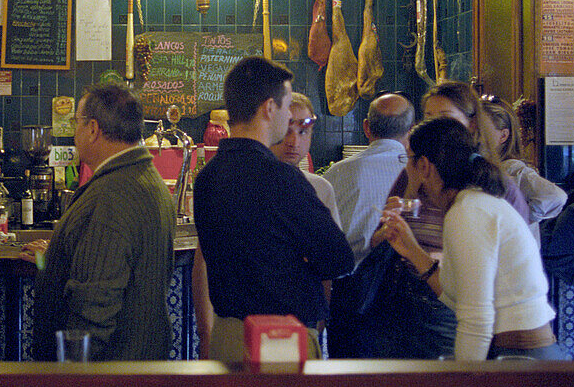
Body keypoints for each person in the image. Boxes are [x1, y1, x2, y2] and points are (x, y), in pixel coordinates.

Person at [193, 57, 352, 362]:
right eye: (287, 106)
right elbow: (339, 258)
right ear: (269, 108)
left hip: (226, 337)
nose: (288, 116)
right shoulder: (284, 179)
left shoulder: (207, 178)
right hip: (280, 340)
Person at [360, 80, 529, 359]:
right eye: (428, 118)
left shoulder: (484, 190)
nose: (433, 127)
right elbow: (379, 240)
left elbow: (502, 270)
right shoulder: (413, 173)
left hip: (451, 309)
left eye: (444, 119)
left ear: (471, 125)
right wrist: (398, 214)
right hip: (401, 300)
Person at [379, 117, 566, 360]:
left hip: (521, 355)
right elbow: (457, 296)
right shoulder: (469, 204)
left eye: (408, 159)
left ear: (424, 165)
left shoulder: (468, 210)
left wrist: (464, 386)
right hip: (517, 352)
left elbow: (476, 320)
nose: (406, 169)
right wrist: (412, 250)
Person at [30, 83, 176, 361]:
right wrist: (47, 261)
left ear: (93, 129)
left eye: (77, 123)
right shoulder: (146, 177)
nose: (75, 133)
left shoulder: (110, 198)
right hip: (137, 373)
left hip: (107, 384)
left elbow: (92, 312)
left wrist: (73, 380)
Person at [321, 91, 414, 358]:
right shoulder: (422, 171)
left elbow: (327, 245)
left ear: (366, 128)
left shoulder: (338, 173)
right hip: (406, 297)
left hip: (350, 298)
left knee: (348, 384)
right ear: (410, 130)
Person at [482, 96, 567, 246]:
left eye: (483, 131)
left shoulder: (512, 168)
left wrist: (522, 216)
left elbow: (556, 196)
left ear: (503, 135)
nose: (476, 138)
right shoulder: (486, 168)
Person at [271, 92, 341, 228]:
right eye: (286, 131)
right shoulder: (248, 186)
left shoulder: (321, 189)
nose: (294, 142)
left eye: (303, 132)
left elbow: (332, 247)